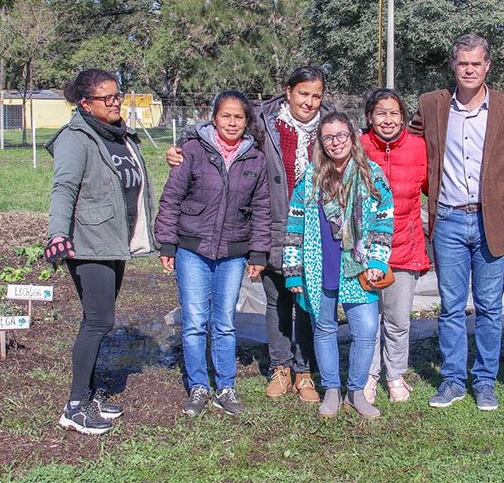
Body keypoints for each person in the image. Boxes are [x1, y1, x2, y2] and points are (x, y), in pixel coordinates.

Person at [167, 67, 334, 403]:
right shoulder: (264, 119)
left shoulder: (331, 123)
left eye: (316, 95)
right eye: (303, 93)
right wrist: (179, 147)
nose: (310, 102)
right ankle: (280, 367)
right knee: (277, 300)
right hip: (272, 220)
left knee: (309, 301)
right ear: (288, 91)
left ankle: (304, 372)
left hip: (317, 226)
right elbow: (213, 130)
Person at [409, 34, 504, 411]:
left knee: (491, 307)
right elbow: (405, 144)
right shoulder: (431, 105)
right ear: (453, 64)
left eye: (476, 63)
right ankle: (452, 380)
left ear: (487, 66)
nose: (469, 70)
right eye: (463, 63)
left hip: (491, 219)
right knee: (450, 306)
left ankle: (485, 381)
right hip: (446, 218)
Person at [46, 69, 156, 435]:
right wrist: (57, 233)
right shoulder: (75, 139)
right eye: (106, 98)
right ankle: (75, 406)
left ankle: (89, 394)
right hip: (88, 242)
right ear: (85, 104)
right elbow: (63, 187)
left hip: (115, 239)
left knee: (97, 319)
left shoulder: (120, 135)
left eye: (117, 95)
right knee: (99, 321)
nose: (115, 103)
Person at [155, 91, 272, 417]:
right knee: (194, 322)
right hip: (192, 249)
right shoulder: (192, 151)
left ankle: (225, 386)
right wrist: (167, 243)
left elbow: (262, 209)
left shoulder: (255, 159)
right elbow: (172, 198)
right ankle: (198, 386)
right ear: (214, 118)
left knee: (224, 323)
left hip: (233, 253)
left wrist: (258, 253)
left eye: (239, 117)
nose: (232, 122)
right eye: (226, 116)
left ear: (246, 121)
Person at [283, 112, 394, 419]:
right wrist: (293, 271)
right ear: (321, 142)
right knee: (324, 328)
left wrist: (377, 261)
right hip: (320, 264)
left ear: (352, 137)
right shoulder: (310, 178)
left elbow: (385, 221)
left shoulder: (371, 174)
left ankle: (356, 393)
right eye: (328, 137)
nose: (335, 142)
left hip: (359, 267)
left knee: (366, 329)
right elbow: (294, 225)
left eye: (341, 135)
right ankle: (332, 390)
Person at [359, 89, 429, 403]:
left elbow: (430, 188)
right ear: (370, 118)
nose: (387, 120)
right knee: (369, 320)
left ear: (403, 117)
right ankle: (369, 375)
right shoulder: (358, 147)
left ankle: (395, 374)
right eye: (380, 113)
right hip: (366, 250)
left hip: (405, 246)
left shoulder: (419, 148)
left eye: (394, 113)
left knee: (398, 319)